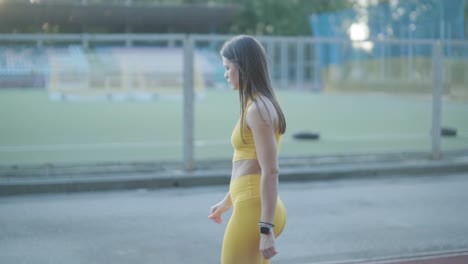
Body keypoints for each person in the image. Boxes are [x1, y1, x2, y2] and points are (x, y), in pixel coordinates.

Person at [208, 35, 287, 264]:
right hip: (251, 203)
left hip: (255, 210)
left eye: (228, 68)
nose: (225, 74)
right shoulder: (256, 104)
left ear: (242, 67)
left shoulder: (258, 108)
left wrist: (266, 229)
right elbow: (246, 162)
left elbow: (270, 171)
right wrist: (227, 200)